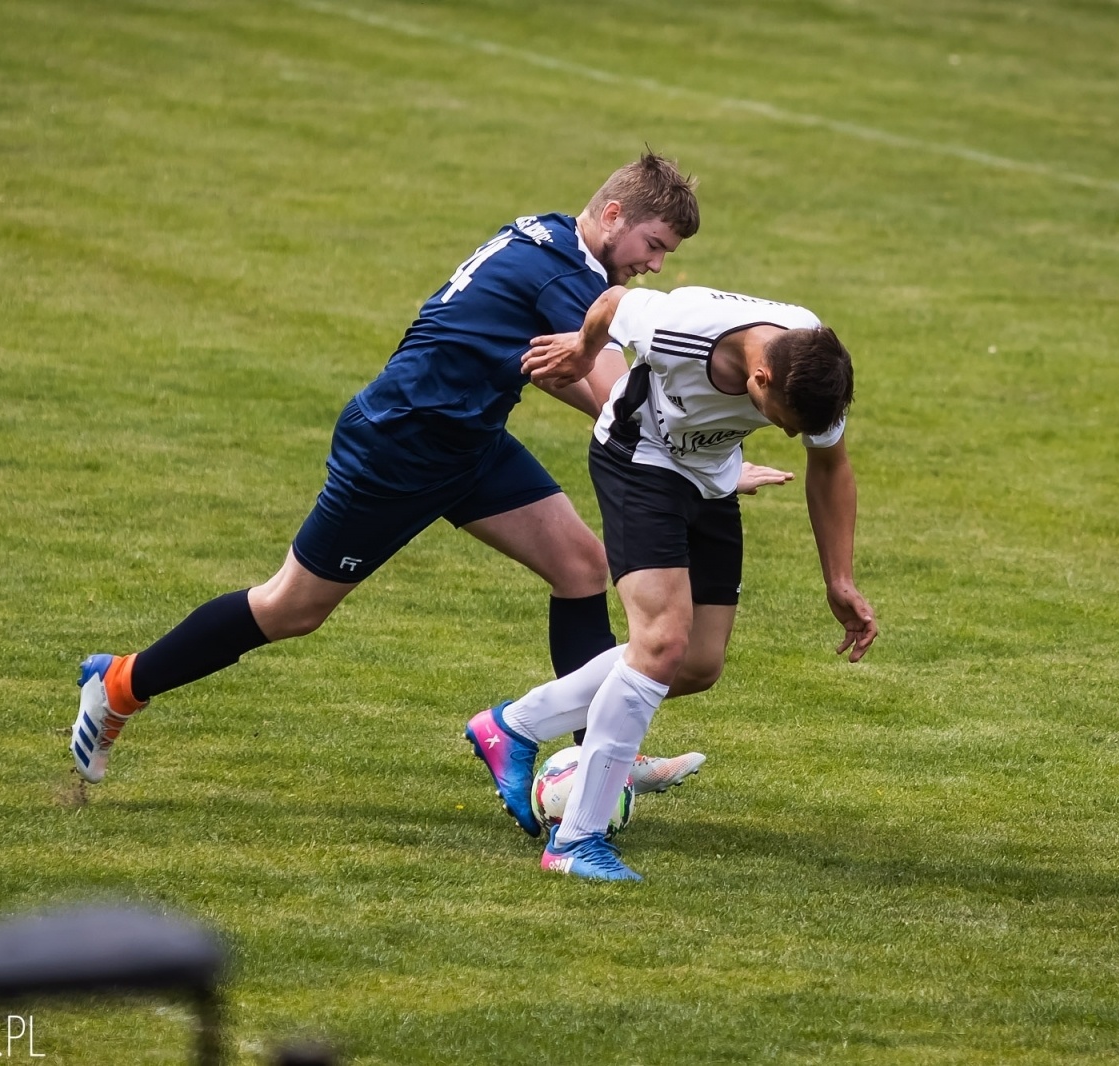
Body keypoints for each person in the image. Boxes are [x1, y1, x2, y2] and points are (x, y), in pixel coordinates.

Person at [69, 154, 712, 806]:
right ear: (612, 215)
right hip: (399, 447)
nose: (655, 263)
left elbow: (559, 372)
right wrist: (699, 454)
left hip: (468, 440)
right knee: (291, 608)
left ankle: (602, 759)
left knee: (580, 566)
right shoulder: (565, 277)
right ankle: (120, 683)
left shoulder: (547, 233)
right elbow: (608, 392)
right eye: (653, 244)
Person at [466, 283, 878, 882]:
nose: (790, 435)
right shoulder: (679, 327)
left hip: (712, 477)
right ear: (760, 379)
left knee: (697, 664)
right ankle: (576, 841)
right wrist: (584, 354)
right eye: (784, 423)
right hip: (640, 464)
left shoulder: (811, 362)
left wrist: (838, 577)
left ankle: (512, 726)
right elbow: (611, 302)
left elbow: (831, 466)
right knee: (660, 643)